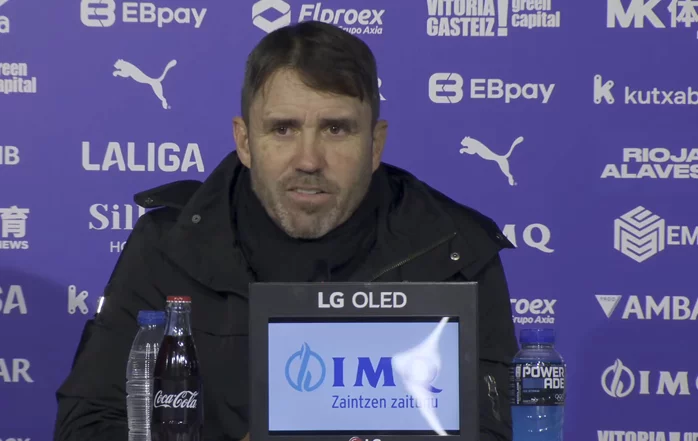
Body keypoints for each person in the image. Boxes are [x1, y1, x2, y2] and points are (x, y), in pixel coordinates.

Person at [53, 20, 518, 441]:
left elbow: (496, 431)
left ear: (375, 144)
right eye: (283, 129)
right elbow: (86, 426)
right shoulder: (169, 245)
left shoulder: (454, 252)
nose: (309, 160)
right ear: (244, 141)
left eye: (336, 129)